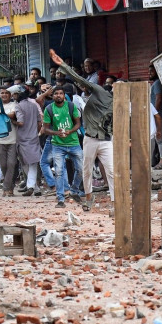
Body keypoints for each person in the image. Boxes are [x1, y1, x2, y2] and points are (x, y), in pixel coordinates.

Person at [51, 49, 113, 211]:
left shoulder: (117, 103)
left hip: (106, 139)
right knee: (86, 170)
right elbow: (79, 79)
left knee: (111, 171)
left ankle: (114, 203)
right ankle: (89, 198)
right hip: (91, 138)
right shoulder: (99, 91)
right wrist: (62, 65)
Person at [42, 85, 83, 208]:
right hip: (57, 144)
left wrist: (70, 131)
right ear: (52, 95)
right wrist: (56, 133)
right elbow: (45, 129)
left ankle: (74, 191)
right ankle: (60, 199)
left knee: (81, 169)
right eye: (56, 93)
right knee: (59, 171)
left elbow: (78, 123)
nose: (58, 95)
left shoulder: (71, 106)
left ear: (64, 95)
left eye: (60, 93)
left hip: (74, 143)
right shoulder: (49, 109)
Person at [11, 86, 42, 196]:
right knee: (33, 163)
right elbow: (39, 122)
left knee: (25, 164)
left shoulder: (18, 106)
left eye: (14, 94)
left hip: (23, 138)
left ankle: (30, 186)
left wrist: (12, 121)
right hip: (34, 137)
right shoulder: (34, 105)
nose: (13, 96)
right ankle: (35, 188)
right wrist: (35, 131)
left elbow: (21, 122)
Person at [0, 87, 18, 196]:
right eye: (2, 93)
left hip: (13, 140)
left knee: (11, 164)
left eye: (6, 93)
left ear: (10, 95)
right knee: (3, 165)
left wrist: (1, 116)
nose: (4, 95)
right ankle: (10, 187)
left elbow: (13, 115)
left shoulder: (14, 105)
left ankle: (6, 188)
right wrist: (5, 116)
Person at [149, 64, 162, 169]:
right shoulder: (159, 83)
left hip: (160, 115)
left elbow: (158, 98)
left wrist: (154, 113)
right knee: (158, 139)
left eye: (151, 71)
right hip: (161, 115)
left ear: (157, 72)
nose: (149, 73)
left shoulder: (157, 83)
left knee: (160, 139)